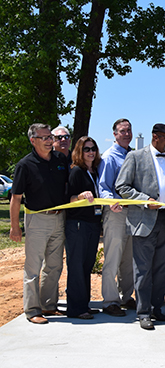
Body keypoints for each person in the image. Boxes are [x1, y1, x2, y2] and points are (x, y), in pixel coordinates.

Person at [115, 123, 165, 330]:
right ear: (155, 137)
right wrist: (145, 200)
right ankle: (143, 312)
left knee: (162, 268)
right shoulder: (135, 157)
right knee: (143, 270)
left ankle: (157, 308)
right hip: (144, 220)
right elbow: (122, 186)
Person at [9, 123, 69, 324]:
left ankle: (49, 305)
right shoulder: (25, 165)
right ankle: (32, 310)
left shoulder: (61, 159)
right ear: (32, 140)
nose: (49, 140)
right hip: (37, 219)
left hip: (59, 217)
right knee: (33, 267)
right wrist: (15, 227)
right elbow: (16, 198)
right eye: (43, 137)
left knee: (54, 265)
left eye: (50, 136)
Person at [65, 137, 120, 319]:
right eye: (86, 149)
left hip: (93, 224)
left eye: (93, 148)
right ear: (79, 152)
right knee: (76, 266)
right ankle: (75, 309)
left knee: (87, 265)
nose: (90, 152)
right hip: (78, 224)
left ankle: (84, 305)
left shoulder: (95, 172)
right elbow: (69, 198)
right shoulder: (76, 172)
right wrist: (80, 196)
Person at [98, 118, 135, 317]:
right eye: (123, 131)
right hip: (116, 213)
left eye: (129, 130)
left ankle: (125, 296)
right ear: (115, 134)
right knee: (112, 257)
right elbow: (103, 186)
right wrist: (111, 202)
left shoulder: (131, 155)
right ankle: (110, 301)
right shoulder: (110, 157)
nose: (127, 134)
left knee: (127, 259)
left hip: (133, 213)